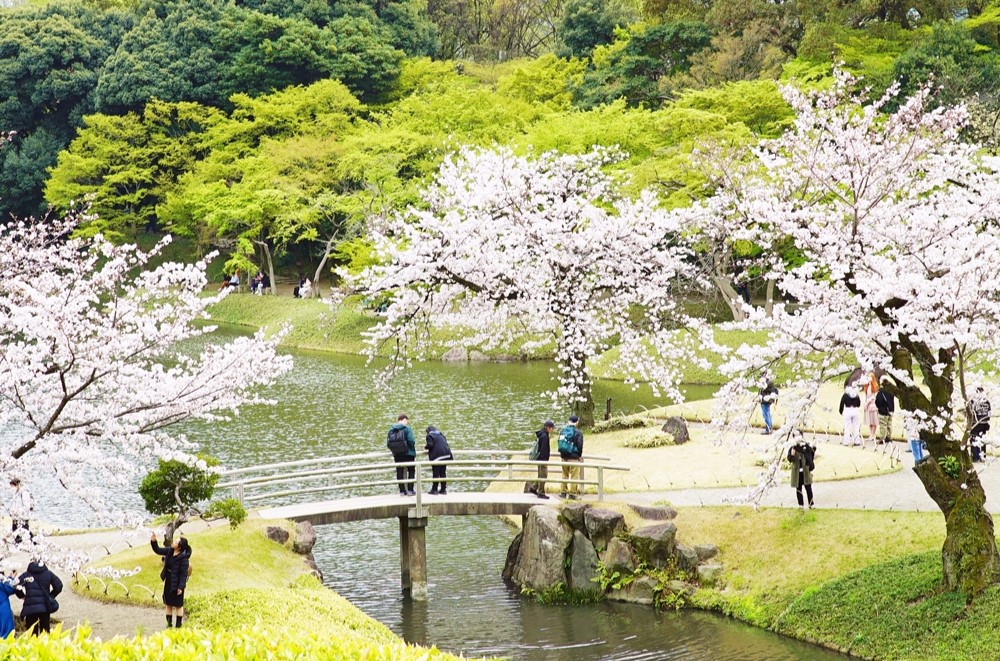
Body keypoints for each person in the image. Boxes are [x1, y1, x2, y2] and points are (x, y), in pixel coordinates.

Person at [151, 533, 192, 628]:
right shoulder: (170, 551)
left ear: (179, 547)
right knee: (168, 603)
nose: (173, 542)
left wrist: (181, 587)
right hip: (169, 580)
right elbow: (158, 550)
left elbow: (183, 574)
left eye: (176, 542)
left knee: (178, 604)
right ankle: (168, 624)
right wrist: (154, 541)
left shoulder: (183, 558)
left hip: (178, 582)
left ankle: (178, 625)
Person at [16, 560, 62, 635]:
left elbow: (16, 586)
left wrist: (22, 596)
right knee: (45, 633)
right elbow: (59, 585)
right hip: (45, 607)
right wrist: (51, 596)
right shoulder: (48, 573)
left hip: (30, 608)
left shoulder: (26, 575)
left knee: (32, 634)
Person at [525, 420, 554, 499]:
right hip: (542, 459)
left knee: (541, 475)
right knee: (543, 476)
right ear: (548, 428)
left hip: (540, 458)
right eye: (552, 428)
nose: (553, 430)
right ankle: (541, 492)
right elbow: (544, 449)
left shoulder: (542, 434)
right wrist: (545, 460)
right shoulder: (544, 436)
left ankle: (533, 488)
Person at [388, 415, 416, 495]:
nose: (407, 422)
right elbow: (411, 440)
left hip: (397, 454)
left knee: (399, 471)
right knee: (411, 470)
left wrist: (395, 450)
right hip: (408, 454)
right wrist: (410, 449)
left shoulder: (391, 430)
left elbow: (388, 443)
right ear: (404, 419)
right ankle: (410, 490)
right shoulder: (407, 429)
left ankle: (402, 491)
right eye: (407, 420)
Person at [558, 415, 584, 500]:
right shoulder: (578, 433)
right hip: (574, 457)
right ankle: (572, 494)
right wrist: (579, 456)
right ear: (576, 422)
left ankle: (563, 492)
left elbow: (560, 443)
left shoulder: (562, 431)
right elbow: (580, 446)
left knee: (564, 474)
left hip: (564, 457)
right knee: (574, 476)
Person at [787, 433, 815, 510]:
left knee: (808, 488)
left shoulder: (805, 446)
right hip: (797, 472)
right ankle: (801, 505)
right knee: (798, 489)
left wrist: (806, 448)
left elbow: (811, 453)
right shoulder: (793, 447)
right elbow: (789, 459)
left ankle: (811, 504)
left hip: (805, 471)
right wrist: (792, 454)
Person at [424, 426, 453, 495]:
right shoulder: (441, 434)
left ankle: (434, 489)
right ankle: (443, 489)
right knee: (443, 472)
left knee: (436, 472)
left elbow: (430, 445)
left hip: (437, 456)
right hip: (446, 454)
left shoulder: (429, 436)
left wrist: (425, 447)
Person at [968, 387, 992, 462]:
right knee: (982, 439)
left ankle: (976, 457)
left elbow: (969, 413)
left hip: (975, 423)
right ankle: (983, 456)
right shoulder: (987, 402)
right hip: (984, 423)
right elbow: (989, 412)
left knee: (974, 438)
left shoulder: (973, 401)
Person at [9, 478, 32, 544]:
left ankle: (31, 544)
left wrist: (18, 512)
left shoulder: (24, 492)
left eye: (13, 486)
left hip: (23, 517)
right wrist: (12, 512)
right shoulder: (16, 494)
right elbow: (14, 504)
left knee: (25, 533)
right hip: (15, 517)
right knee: (15, 533)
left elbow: (26, 506)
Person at [874, 377, 895, 444]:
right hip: (890, 410)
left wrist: (880, 407)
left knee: (883, 425)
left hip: (883, 411)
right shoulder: (891, 391)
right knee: (889, 424)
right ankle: (889, 437)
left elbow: (878, 401)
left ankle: (882, 438)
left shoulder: (881, 392)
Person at [863, 372, 879, 443]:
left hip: (873, 405)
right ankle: (871, 434)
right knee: (869, 421)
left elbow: (873, 397)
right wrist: (865, 403)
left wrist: (867, 402)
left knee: (874, 421)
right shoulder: (867, 386)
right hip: (868, 406)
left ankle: (873, 434)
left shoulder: (874, 386)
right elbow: (865, 396)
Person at [0, 572, 16, 638]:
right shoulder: (2, 581)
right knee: (7, 631)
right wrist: (11, 578)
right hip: (3, 604)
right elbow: (10, 589)